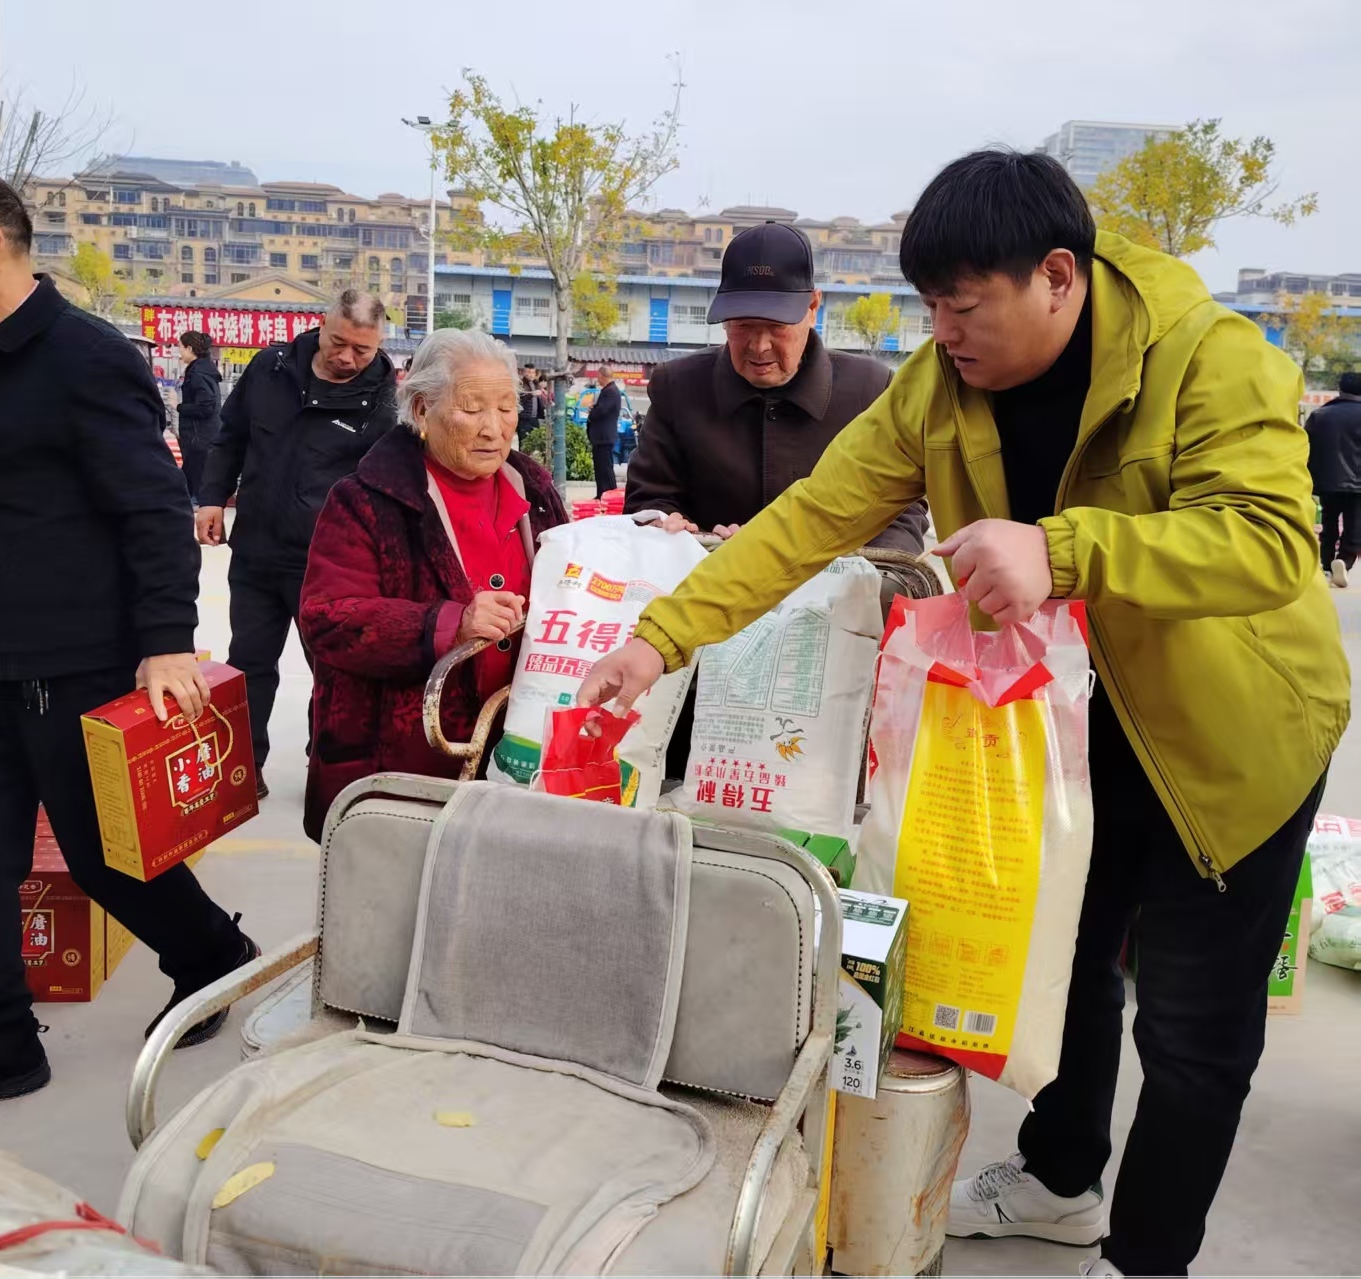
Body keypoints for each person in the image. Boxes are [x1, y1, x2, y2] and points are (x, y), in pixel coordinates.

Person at [577, 151, 1350, 1278]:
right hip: (1065, 735)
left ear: (1056, 277)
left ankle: (1146, 1257)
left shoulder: (1208, 357)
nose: (944, 331)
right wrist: (660, 638)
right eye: (930, 307)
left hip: (1229, 743)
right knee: (1062, 969)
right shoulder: (937, 386)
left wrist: (1062, 547)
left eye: (965, 305)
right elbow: (810, 519)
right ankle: (1059, 1183)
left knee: (1188, 1031)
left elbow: (1273, 542)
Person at [0, 163, 258, 1121]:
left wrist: (167, 641)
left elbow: (153, 507)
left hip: (77, 661)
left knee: (108, 854)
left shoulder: (85, 357)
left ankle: (210, 955)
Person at [297, 329, 566, 839]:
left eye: (507, 408)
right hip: (407, 763)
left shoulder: (533, 489)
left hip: (518, 755)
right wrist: (449, 623)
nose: (494, 428)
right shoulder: (366, 500)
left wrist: (644, 540)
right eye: (472, 407)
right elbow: (327, 618)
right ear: (421, 410)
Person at [196, 290, 397, 798]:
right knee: (249, 664)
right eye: (339, 343)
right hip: (258, 550)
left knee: (334, 673)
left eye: (362, 350)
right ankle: (244, 770)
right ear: (320, 326)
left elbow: (384, 483)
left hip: (329, 563)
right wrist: (213, 497)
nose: (348, 357)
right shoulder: (270, 369)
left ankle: (326, 772)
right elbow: (230, 436)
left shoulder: (382, 398)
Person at [625, 220, 927, 552]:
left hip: (834, 592)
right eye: (742, 325)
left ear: (813, 308)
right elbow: (649, 498)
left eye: (776, 325)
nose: (759, 346)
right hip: (705, 585)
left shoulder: (870, 390)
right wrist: (666, 527)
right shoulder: (678, 386)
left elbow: (901, 512)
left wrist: (855, 569)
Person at [1306, 370, 1361, 588]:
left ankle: (1327, 566)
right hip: (1358, 483)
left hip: (1327, 480)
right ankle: (1344, 561)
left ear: (1340, 389)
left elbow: (1305, 447)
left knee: (1329, 523)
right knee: (1354, 526)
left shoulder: (1320, 415)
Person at [174, 329, 220, 504]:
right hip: (200, 439)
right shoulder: (203, 370)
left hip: (198, 441)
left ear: (190, 348)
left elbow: (207, 407)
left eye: (181, 347)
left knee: (194, 495)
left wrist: (178, 406)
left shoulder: (198, 374)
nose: (179, 351)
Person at [586, 364, 621, 498]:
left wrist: (592, 411)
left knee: (605, 468)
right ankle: (601, 493)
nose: (597, 379)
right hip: (600, 437)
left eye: (598, 376)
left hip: (604, 437)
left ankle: (611, 494)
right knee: (600, 468)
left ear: (602, 376)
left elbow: (602, 411)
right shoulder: (607, 391)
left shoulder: (611, 391)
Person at [518, 361, 546, 444]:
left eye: (533, 372)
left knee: (535, 442)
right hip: (524, 418)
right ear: (524, 373)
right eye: (529, 372)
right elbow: (520, 397)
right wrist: (531, 394)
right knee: (524, 442)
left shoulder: (535, 384)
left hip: (535, 418)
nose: (531, 375)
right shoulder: (521, 384)